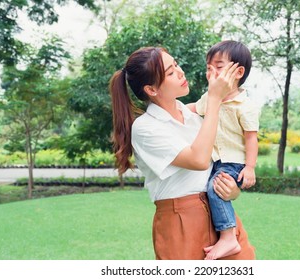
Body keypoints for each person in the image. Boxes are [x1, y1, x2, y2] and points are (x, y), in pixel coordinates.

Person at [109, 46, 255, 260]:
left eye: (176, 64)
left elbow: (218, 163)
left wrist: (233, 191)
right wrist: (214, 99)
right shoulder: (146, 128)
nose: (180, 72)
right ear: (151, 89)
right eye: (170, 72)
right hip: (181, 222)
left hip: (222, 219)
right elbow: (199, 160)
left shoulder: (194, 116)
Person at [187, 40, 260, 260]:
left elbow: (251, 138)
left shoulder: (245, 105)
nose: (212, 72)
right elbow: (192, 109)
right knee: (205, 190)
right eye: (209, 68)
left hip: (234, 163)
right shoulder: (209, 98)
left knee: (215, 189)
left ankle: (229, 237)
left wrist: (250, 167)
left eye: (219, 67)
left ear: (238, 72)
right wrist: (171, 108)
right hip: (215, 161)